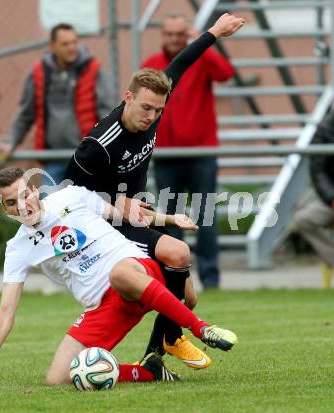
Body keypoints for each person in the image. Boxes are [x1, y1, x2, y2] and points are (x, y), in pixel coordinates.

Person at [65, 13, 244, 367]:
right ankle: (171, 340)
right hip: (108, 224)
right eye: (145, 107)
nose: (151, 116)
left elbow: (181, 62)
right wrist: (117, 203)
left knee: (187, 298)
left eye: (158, 109)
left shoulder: (155, 104)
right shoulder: (98, 144)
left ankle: (156, 353)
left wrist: (213, 33)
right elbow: (69, 194)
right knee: (178, 254)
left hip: (136, 213)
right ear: (127, 97)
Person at [0, 167, 238, 386]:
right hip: (103, 307)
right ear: (5, 208)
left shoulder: (70, 196)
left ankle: (202, 329)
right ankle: (148, 371)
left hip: (134, 271)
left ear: (35, 190)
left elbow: (124, 217)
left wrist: (170, 219)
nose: (22, 206)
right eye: (12, 202)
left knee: (123, 275)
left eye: (24, 195)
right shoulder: (17, 249)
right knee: (58, 378)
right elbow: (5, 311)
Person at [141, 13, 235, 290]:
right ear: (163, 36)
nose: (174, 40)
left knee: (205, 217)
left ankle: (210, 278)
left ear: (187, 35)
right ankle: (172, 279)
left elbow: (226, 74)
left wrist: (202, 44)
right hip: (167, 154)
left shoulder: (201, 58)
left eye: (179, 35)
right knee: (168, 218)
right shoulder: (152, 65)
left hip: (201, 151)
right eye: (169, 34)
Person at [0, 23, 114, 186]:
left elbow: (108, 114)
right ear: (52, 47)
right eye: (65, 44)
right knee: (50, 210)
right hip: (52, 160)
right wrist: (9, 142)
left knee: (84, 210)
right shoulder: (39, 72)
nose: (72, 48)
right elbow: (25, 115)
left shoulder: (93, 70)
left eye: (74, 42)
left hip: (86, 160)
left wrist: (110, 150)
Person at [293, 107, 334, 270]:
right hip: (330, 198)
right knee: (303, 219)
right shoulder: (325, 129)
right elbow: (318, 171)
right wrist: (331, 198)